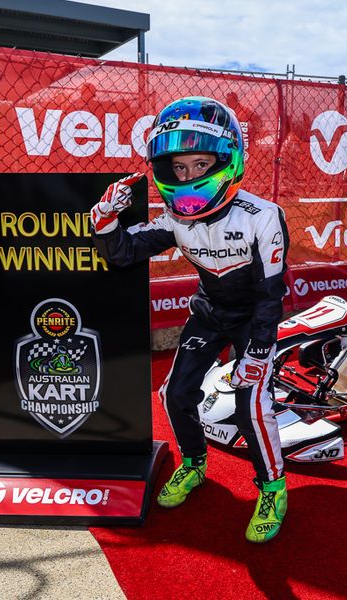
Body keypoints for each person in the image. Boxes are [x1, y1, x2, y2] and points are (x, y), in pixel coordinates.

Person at [90, 96, 289, 543]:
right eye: (178, 168)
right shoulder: (173, 218)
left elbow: (270, 296)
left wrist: (258, 353)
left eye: (200, 164)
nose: (188, 177)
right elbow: (123, 252)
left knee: (251, 405)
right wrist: (104, 218)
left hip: (253, 320)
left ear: (228, 160)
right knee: (174, 394)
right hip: (209, 312)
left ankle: (273, 488)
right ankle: (194, 464)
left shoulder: (263, 216)